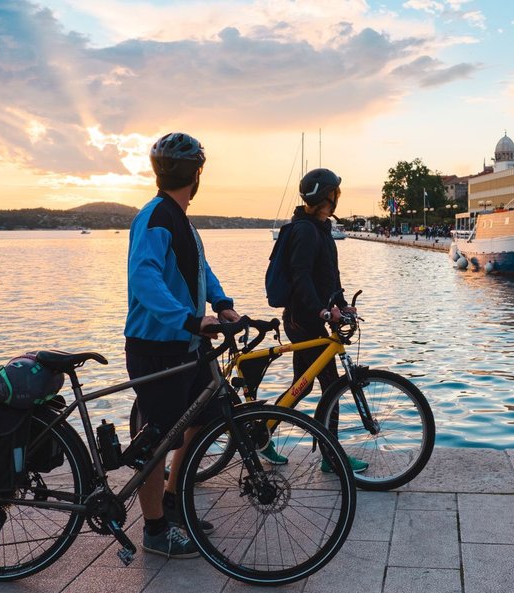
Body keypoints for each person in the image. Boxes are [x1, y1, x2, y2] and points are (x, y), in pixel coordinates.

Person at [125, 132, 240, 558]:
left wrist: (222, 303)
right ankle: (155, 531)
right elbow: (145, 279)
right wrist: (189, 320)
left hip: (186, 344)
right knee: (158, 441)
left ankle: (172, 503)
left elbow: (199, 270)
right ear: (196, 173)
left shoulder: (180, 219)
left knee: (202, 420)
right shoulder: (156, 216)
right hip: (157, 346)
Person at [259, 168, 367, 472]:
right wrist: (321, 310)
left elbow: (328, 276)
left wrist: (342, 305)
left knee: (302, 386)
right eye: (335, 193)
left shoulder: (319, 227)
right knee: (330, 385)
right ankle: (330, 456)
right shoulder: (305, 230)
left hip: (311, 318)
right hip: (302, 319)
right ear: (326, 196)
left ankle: (262, 434)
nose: (337, 198)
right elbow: (301, 277)